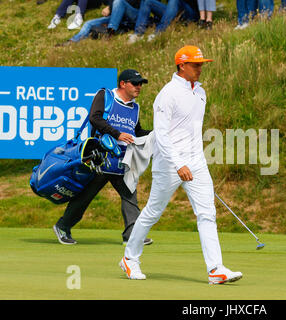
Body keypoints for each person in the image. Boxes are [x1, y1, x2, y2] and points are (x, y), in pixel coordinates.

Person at [119, 46, 243, 284]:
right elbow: (163, 135)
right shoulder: (167, 94)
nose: (200, 69)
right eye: (195, 65)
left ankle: (215, 269)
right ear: (181, 66)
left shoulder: (201, 92)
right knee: (153, 212)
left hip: (196, 162)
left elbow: (193, 131)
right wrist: (178, 164)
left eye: (201, 64)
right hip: (169, 162)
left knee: (207, 213)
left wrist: (195, 161)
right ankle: (129, 258)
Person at [53, 69, 153, 247]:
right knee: (85, 197)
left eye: (140, 84)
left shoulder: (135, 107)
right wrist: (117, 134)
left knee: (130, 196)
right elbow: (95, 118)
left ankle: (132, 235)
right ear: (123, 83)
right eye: (135, 83)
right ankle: (63, 226)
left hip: (122, 160)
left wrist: (156, 134)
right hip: (99, 158)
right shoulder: (105, 95)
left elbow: (136, 132)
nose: (139, 87)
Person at [57, 0, 145, 46]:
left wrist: (110, 8)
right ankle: (73, 41)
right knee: (89, 23)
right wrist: (109, 7)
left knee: (119, 1)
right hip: (117, 15)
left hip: (134, 14)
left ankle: (109, 32)